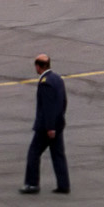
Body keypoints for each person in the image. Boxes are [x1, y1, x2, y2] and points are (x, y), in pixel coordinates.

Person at [20, 54, 69, 195]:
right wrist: (59, 121)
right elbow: (63, 102)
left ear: (38, 66)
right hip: (58, 124)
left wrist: (50, 127)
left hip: (46, 128)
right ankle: (63, 184)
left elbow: (47, 108)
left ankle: (32, 183)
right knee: (58, 155)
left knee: (33, 153)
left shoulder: (45, 82)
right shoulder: (58, 79)